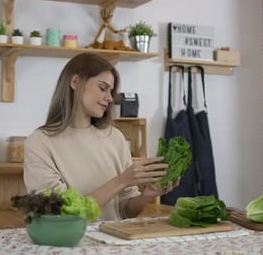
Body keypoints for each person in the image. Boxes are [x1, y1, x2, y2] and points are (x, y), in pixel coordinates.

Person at [24, 52, 178, 221]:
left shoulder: (115, 138)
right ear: (75, 82)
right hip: (66, 244)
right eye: (103, 88)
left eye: (111, 91)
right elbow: (60, 213)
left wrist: (147, 195)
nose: (110, 98)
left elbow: (125, 211)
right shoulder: (40, 142)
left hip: (113, 243)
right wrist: (123, 180)